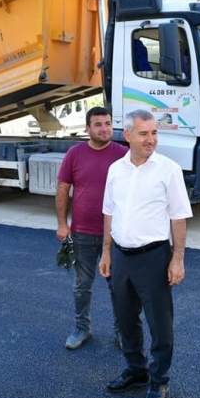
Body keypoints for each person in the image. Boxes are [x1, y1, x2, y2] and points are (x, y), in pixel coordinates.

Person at [99, 109, 192, 398]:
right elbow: (109, 211)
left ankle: (159, 378)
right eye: (144, 133)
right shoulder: (115, 169)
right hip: (121, 257)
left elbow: (179, 216)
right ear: (127, 135)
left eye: (154, 133)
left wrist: (177, 259)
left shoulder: (168, 169)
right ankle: (136, 370)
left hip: (154, 257)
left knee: (160, 324)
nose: (151, 139)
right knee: (126, 320)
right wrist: (106, 251)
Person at [56, 106, 128, 350]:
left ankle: (122, 331)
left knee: (118, 286)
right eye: (98, 124)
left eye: (108, 123)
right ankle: (81, 328)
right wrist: (62, 224)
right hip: (82, 232)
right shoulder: (75, 154)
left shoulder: (123, 154)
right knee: (82, 285)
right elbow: (63, 188)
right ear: (87, 129)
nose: (104, 128)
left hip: (116, 234)